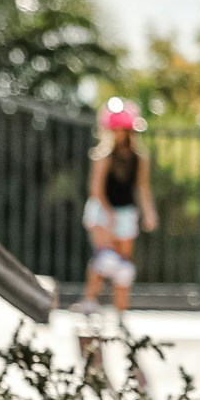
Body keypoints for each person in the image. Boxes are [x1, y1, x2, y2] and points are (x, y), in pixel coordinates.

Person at [81, 98, 154, 324]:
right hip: (103, 212)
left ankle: (121, 312)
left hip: (126, 213)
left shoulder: (139, 157)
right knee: (106, 259)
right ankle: (89, 301)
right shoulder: (103, 156)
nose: (119, 134)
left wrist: (149, 212)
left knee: (123, 267)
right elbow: (96, 190)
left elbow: (142, 187)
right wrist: (109, 214)